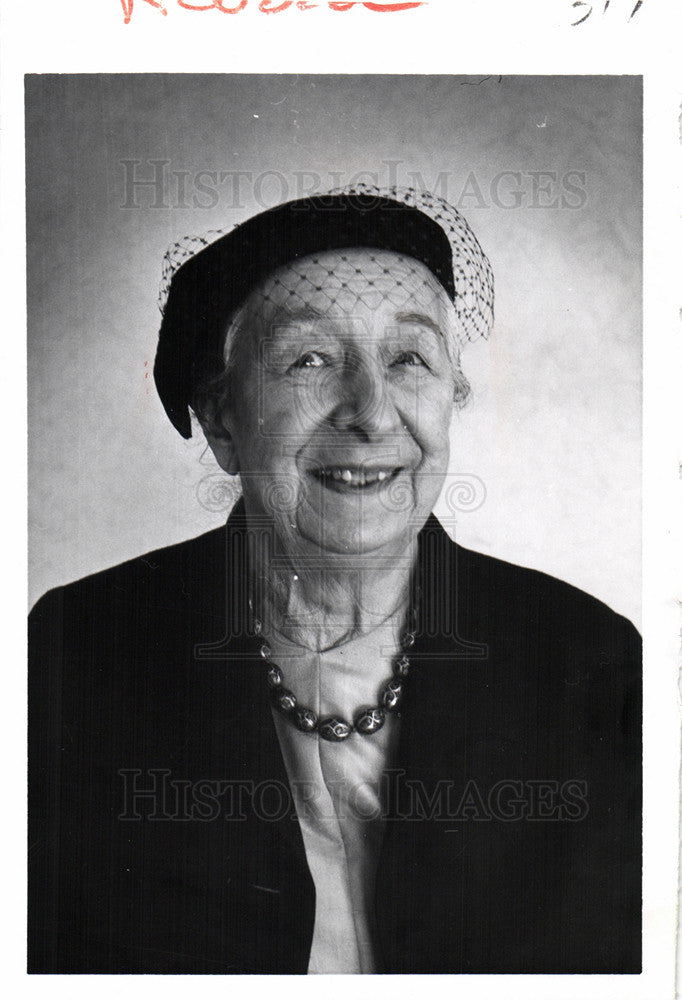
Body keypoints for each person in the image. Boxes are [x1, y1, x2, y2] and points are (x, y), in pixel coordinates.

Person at [28, 185, 641, 974]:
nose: (372, 413)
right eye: (311, 360)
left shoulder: (591, 657)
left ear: (450, 399)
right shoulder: (71, 648)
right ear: (221, 421)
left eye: (409, 359)